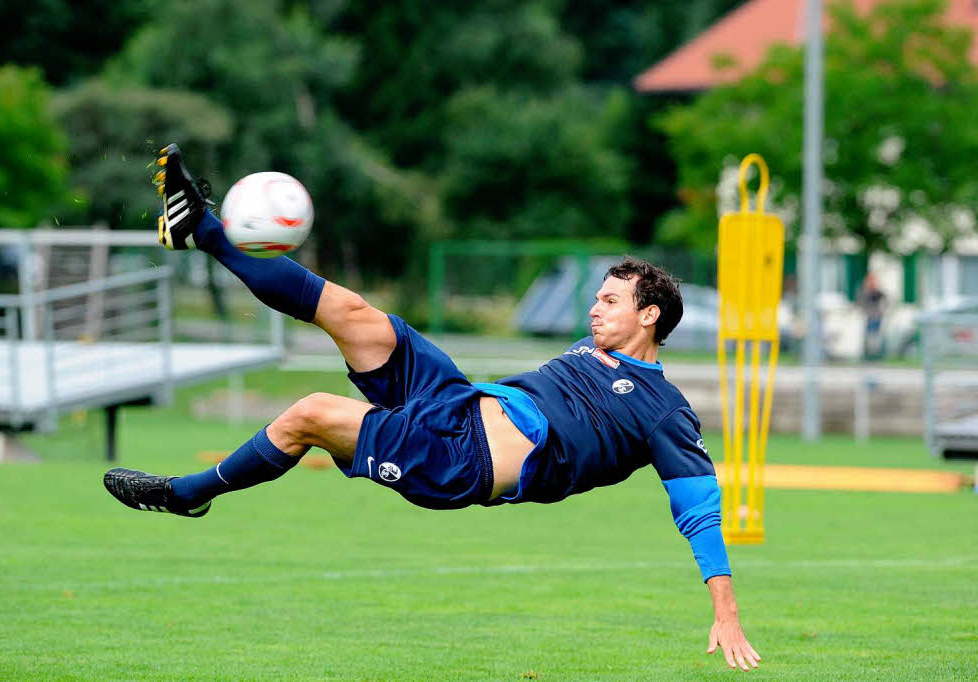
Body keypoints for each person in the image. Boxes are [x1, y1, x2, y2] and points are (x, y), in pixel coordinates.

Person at [104, 144, 761, 671]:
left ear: (649, 316)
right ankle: (204, 232)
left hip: (458, 458)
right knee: (356, 315)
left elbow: (699, 510)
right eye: (596, 297)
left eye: (610, 302)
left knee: (308, 413)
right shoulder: (587, 353)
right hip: (459, 401)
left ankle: (189, 492)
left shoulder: (663, 409)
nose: (594, 307)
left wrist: (725, 610)